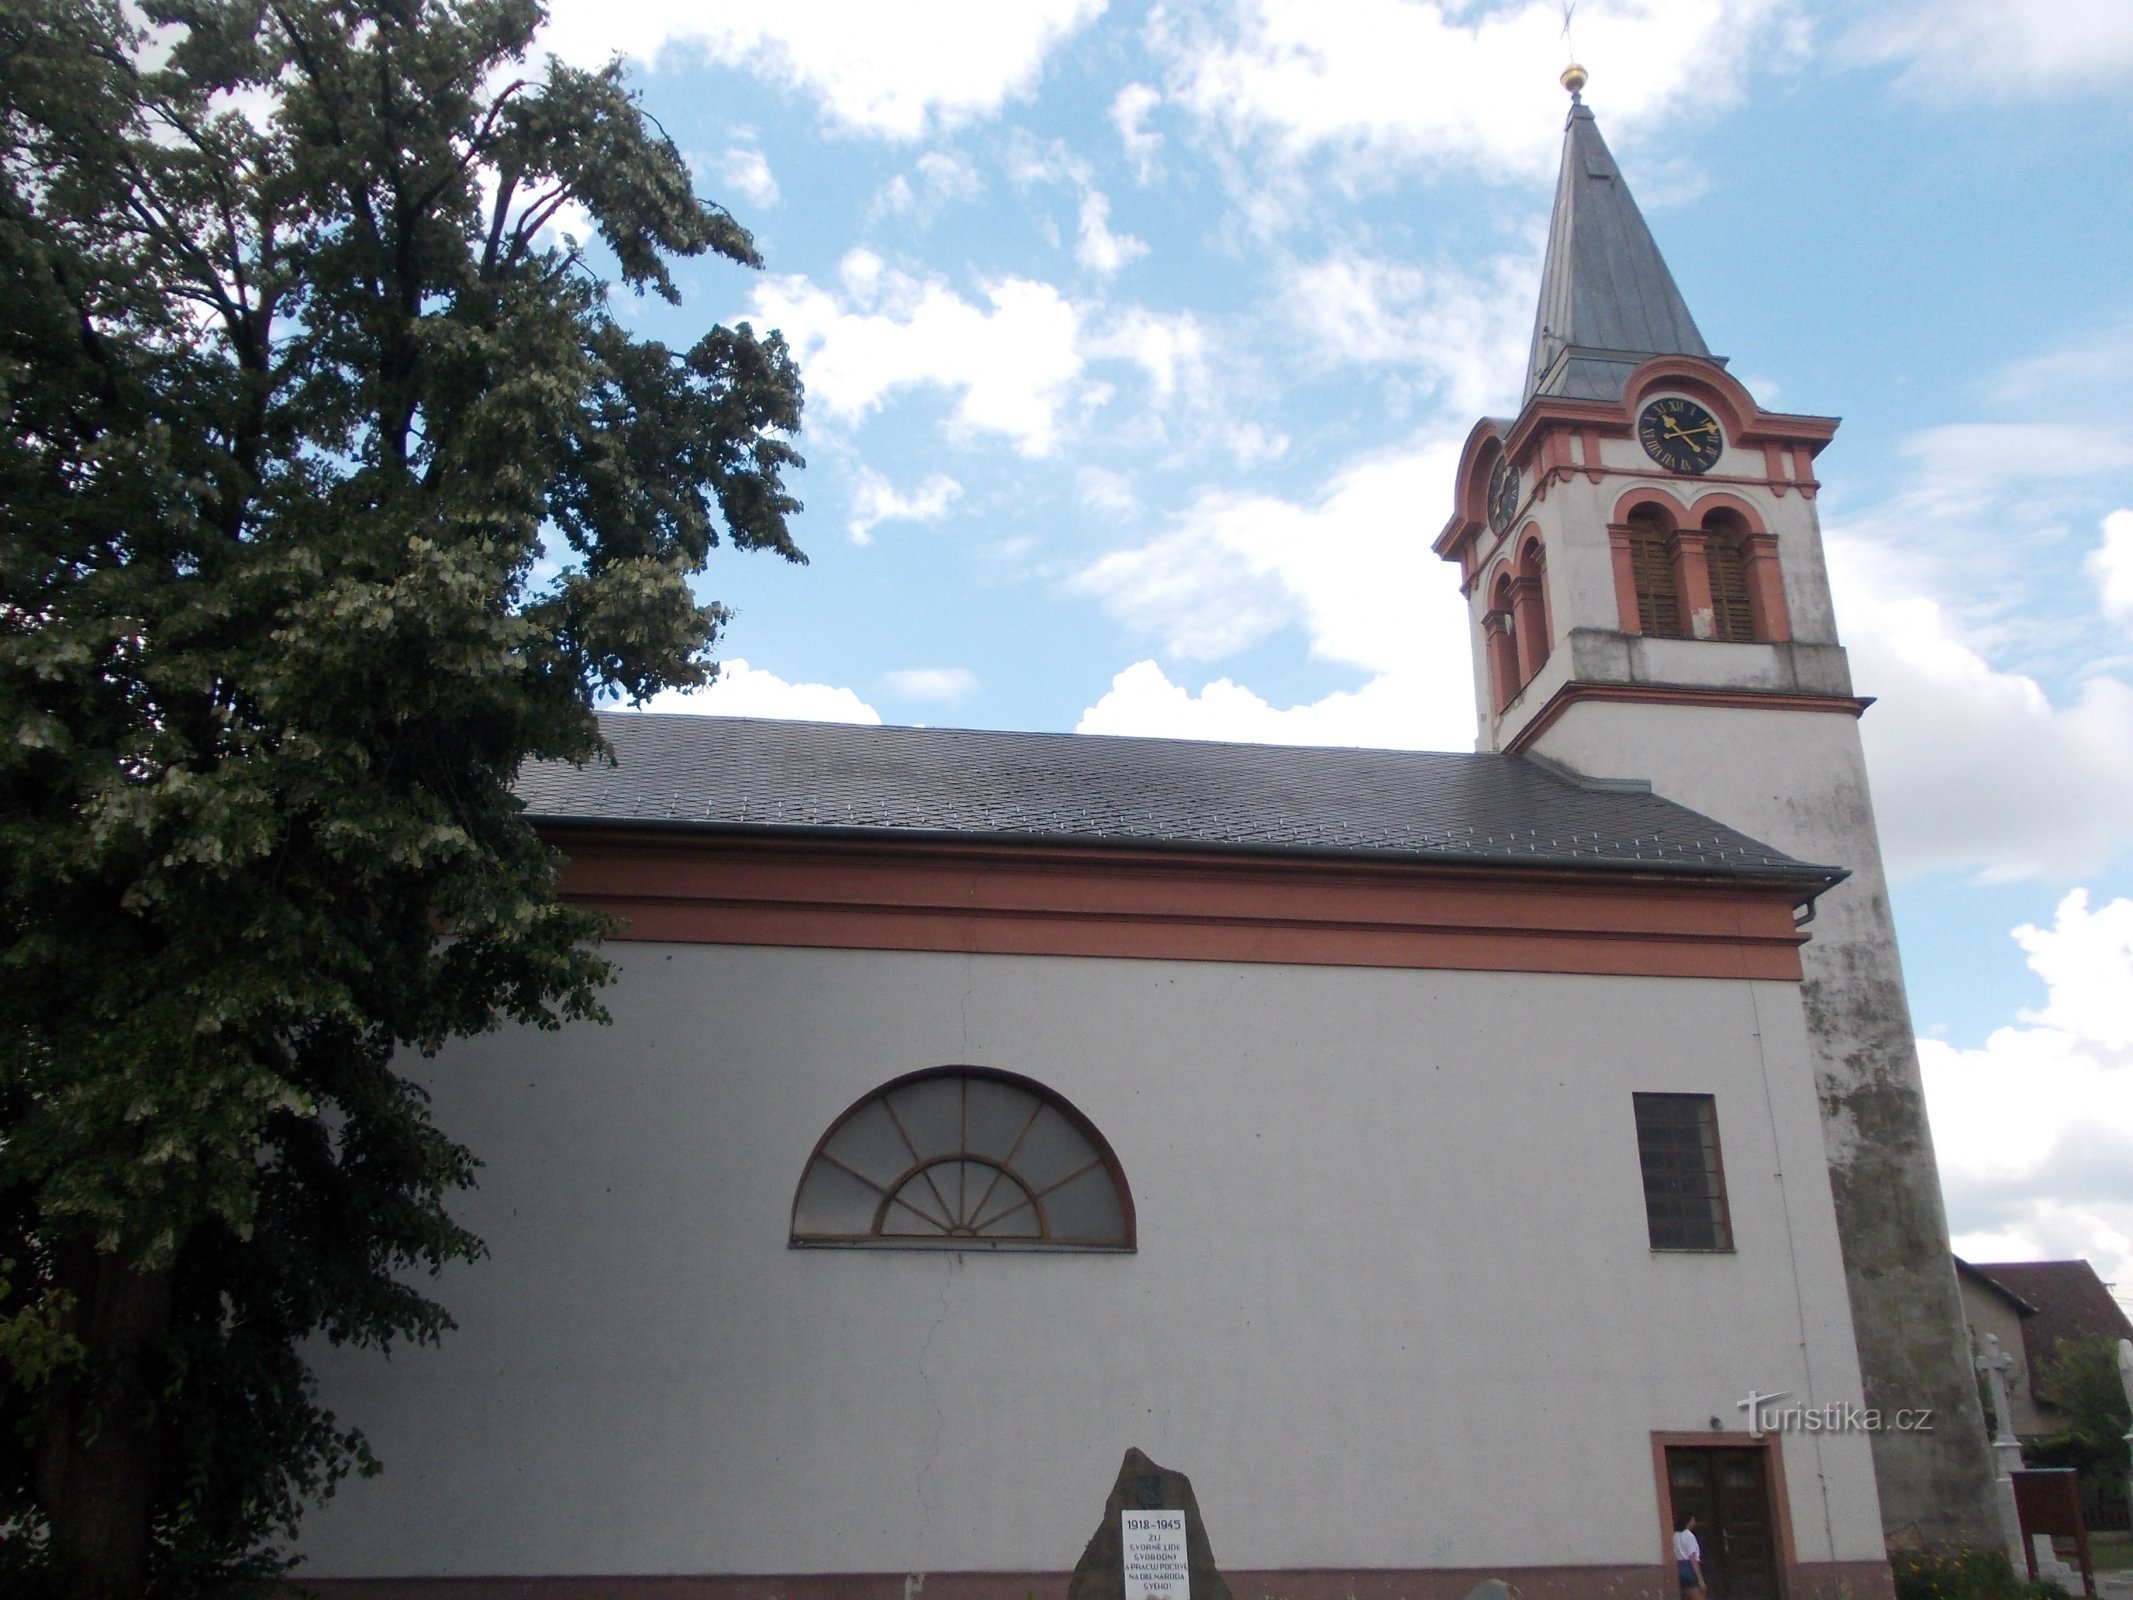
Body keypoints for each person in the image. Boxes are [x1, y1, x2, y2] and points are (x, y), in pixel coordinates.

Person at [1674, 1511, 1708, 1598]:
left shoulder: (1676, 1535)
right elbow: (1692, 1557)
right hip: (1688, 1568)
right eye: (1693, 1520)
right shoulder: (1688, 1535)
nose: (1694, 1522)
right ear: (1688, 1521)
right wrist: (1700, 1579)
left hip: (1679, 1566)